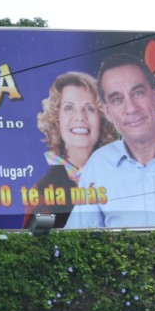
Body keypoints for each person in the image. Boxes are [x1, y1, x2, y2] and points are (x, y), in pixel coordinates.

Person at [65, 53, 155, 229]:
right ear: (107, 112)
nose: (131, 108)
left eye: (137, 93)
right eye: (117, 99)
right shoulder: (98, 166)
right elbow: (79, 239)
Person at [22, 72, 118, 229]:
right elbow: (38, 244)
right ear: (56, 118)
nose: (80, 117)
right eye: (69, 108)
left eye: (89, 108)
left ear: (101, 117)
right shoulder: (43, 191)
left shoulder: (123, 170)